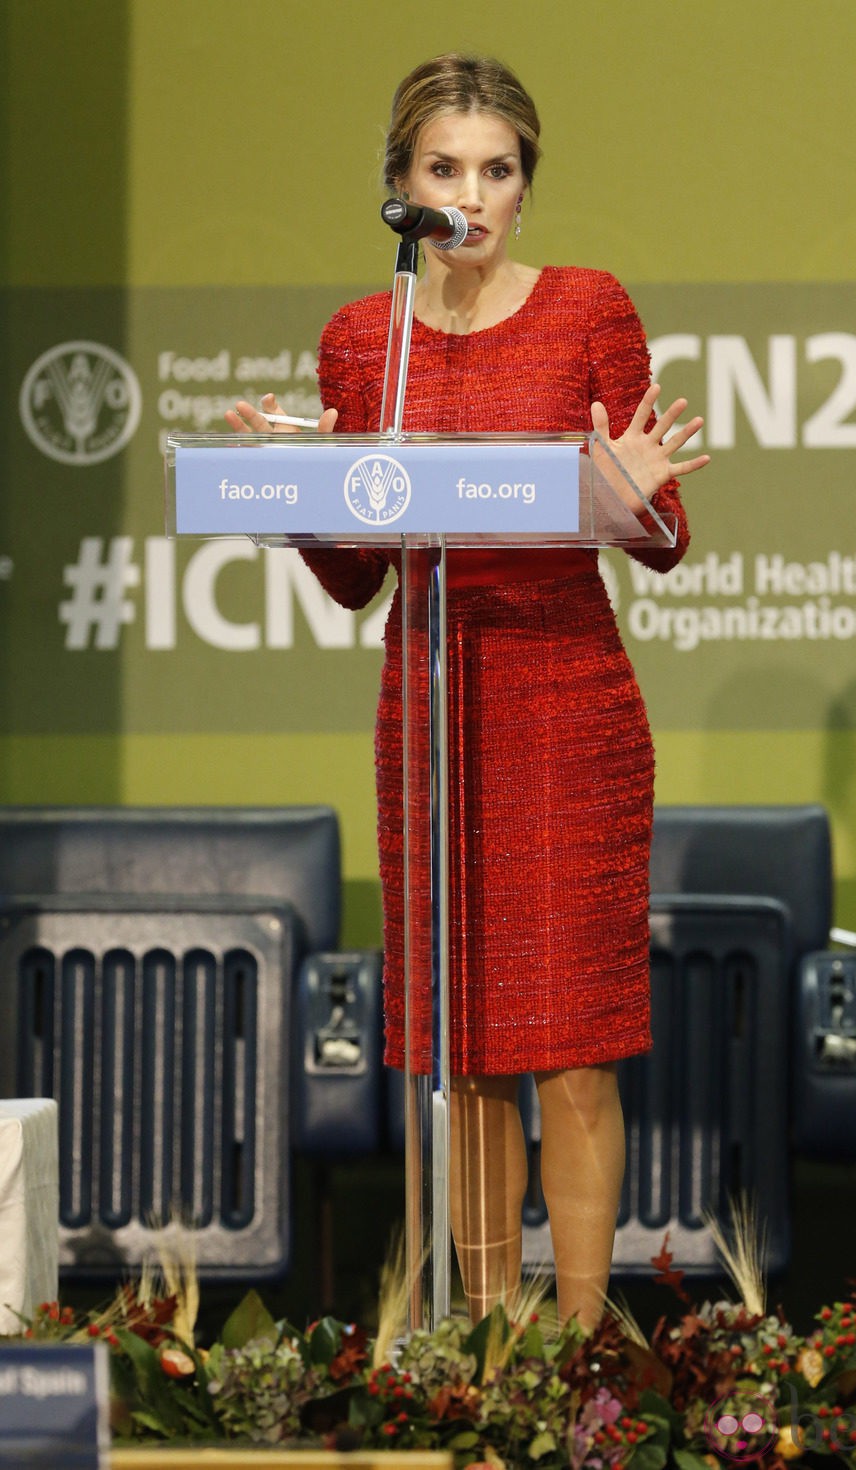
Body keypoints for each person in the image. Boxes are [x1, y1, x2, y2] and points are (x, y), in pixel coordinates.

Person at [227, 52, 709, 1331]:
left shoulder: (588, 310)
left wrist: (634, 486)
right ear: (400, 186)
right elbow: (353, 582)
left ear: (523, 187)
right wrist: (302, 496)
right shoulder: (359, 339)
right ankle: (491, 1346)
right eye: (444, 170)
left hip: (568, 708)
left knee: (571, 1050)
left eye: (496, 171)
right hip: (434, 713)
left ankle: (585, 1344)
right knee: (465, 1055)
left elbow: (660, 539)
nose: (471, 196)